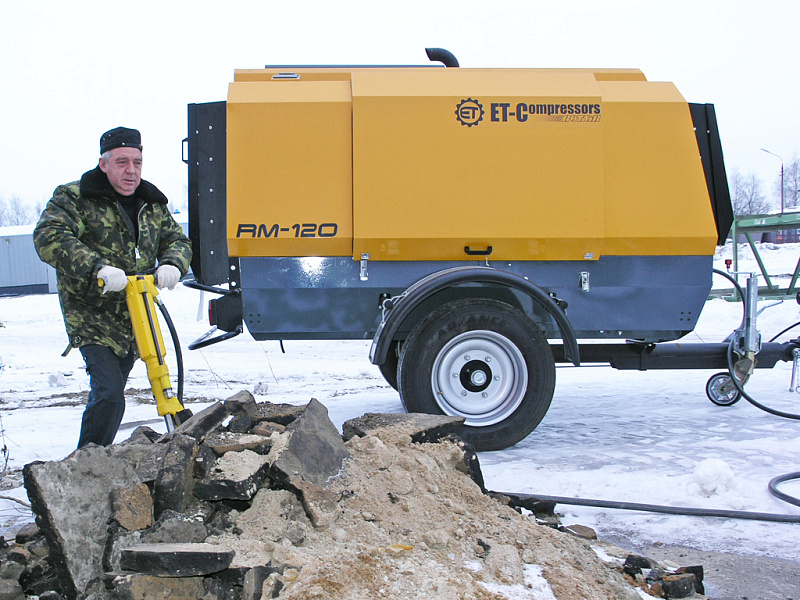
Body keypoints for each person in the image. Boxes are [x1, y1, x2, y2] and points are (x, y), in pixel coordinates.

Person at [34, 127, 192, 448]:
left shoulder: (152, 202)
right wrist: (98, 268)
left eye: (137, 162)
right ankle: (87, 462)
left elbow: (177, 240)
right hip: (91, 316)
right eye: (122, 162)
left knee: (141, 387)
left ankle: (98, 456)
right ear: (103, 164)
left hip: (136, 317)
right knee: (109, 394)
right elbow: (49, 236)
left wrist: (173, 264)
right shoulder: (75, 197)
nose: (131, 170)